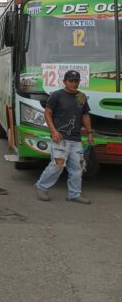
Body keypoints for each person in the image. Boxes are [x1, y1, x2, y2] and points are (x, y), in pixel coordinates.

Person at [35, 70, 93, 204]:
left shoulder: (81, 97)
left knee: (77, 168)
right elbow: (48, 113)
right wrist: (53, 131)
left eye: (76, 81)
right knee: (57, 165)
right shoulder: (57, 95)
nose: (74, 83)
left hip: (76, 139)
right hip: (60, 138)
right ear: (65, 81)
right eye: (71, 81)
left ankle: (74, 194)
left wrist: (90, 133)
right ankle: (41, 186)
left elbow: (85, 115)